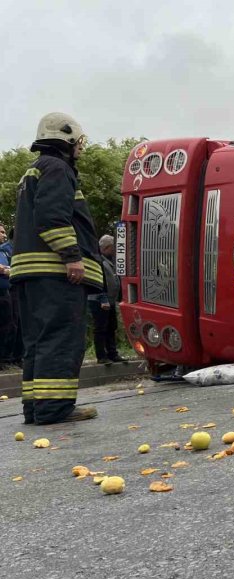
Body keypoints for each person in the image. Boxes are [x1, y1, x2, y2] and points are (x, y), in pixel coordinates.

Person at [11, 112, 104, 424]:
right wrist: (72, 256)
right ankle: (55, 408)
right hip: (55, 274)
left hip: (31, 275)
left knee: (37, 341)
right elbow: (52, 216)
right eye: (78, 142)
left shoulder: (33, 171)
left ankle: (35, 408)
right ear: (67, 138)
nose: (80, 148)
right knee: (61, 338)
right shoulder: (57, 167)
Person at [87, 234, 123, 364]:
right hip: (99, 300)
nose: (114, 251)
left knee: (111, 326)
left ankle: (112, 353)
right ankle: (101, 356)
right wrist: (103, 299)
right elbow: (99, 281)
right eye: (113, 248)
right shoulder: (98, 261)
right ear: (107, 247)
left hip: (110, 300)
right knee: (101, 328)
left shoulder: (109, 261)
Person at [0, 224, 13, 368]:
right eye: (1, 232)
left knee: (7, 326)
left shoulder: (2, 253)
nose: (4, 235)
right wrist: (4, 269)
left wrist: (6, 269)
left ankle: (4, 359)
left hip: (5, 293)